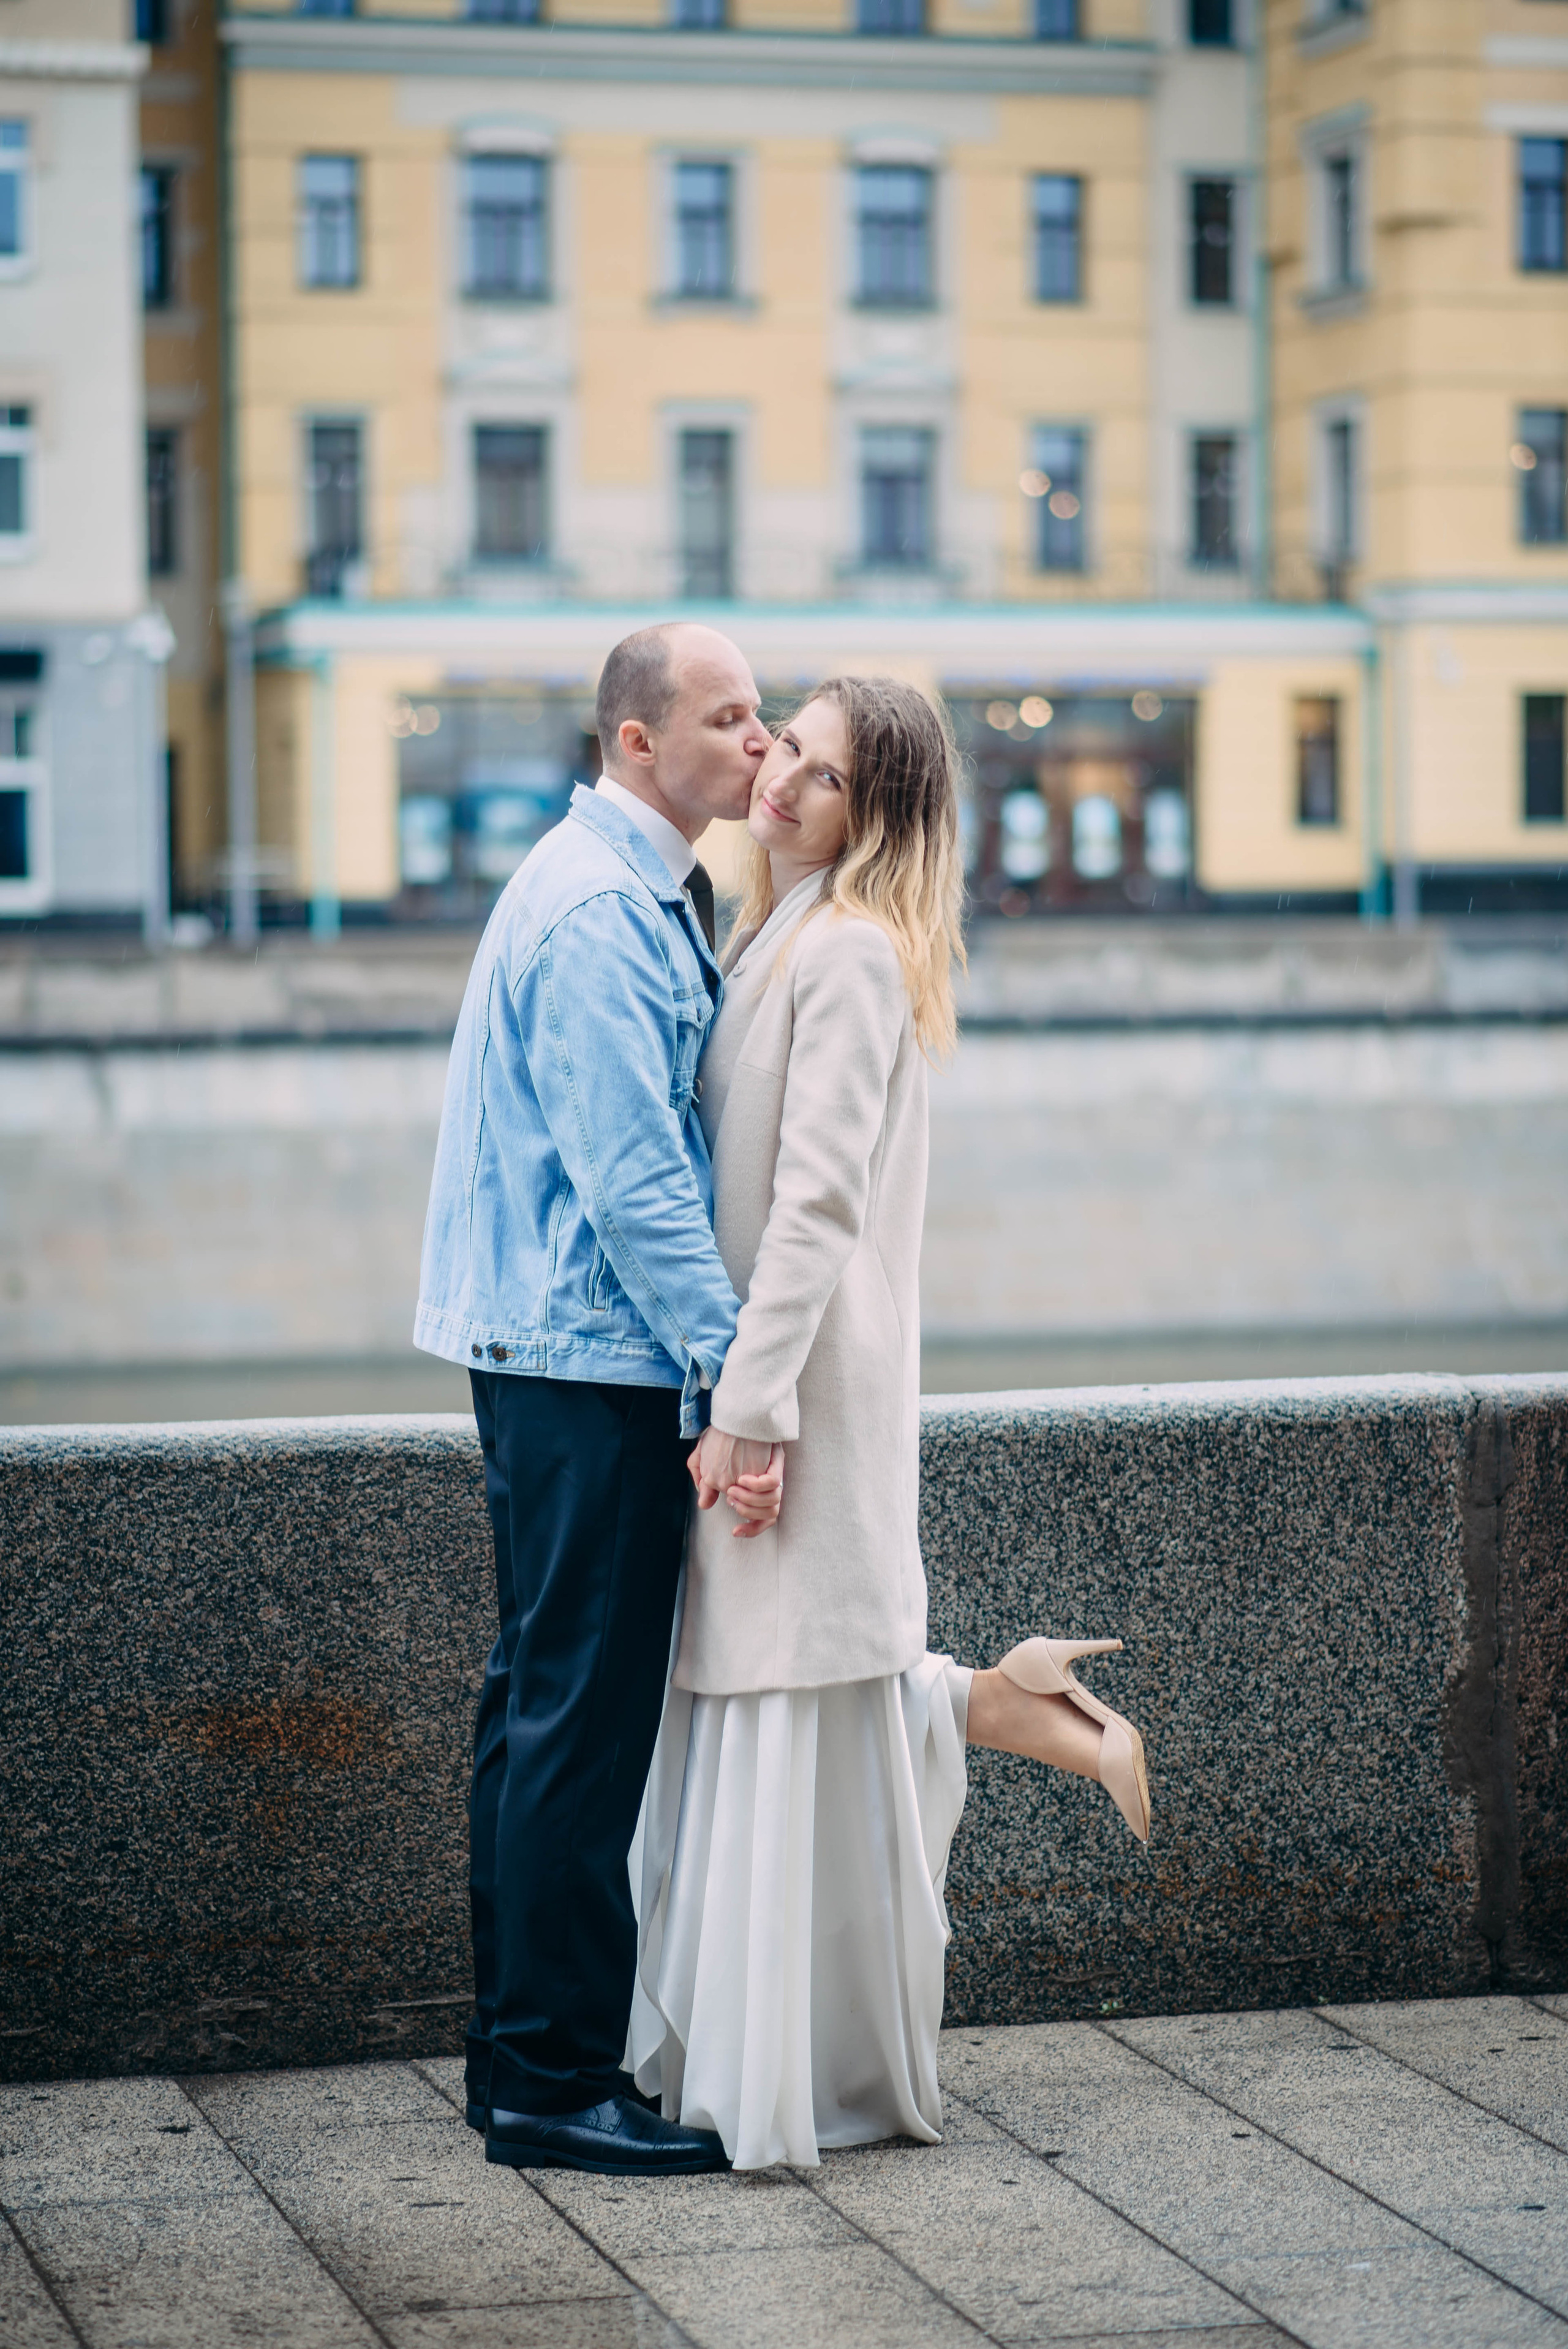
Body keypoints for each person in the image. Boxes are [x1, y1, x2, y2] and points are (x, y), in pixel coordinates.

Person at [626, 675, 1151, 2171]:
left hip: (801, 1402)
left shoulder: (847, 951)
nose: (784, 780)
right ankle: (1023, 1705)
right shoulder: (777, 930)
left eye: (828, 776)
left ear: (877, 820)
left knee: (785, 1692)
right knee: (782, 1688)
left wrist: (749, 1410)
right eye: (785, 745)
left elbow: (815, 1206)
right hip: (776, 1392)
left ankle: (786, 2079)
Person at [415, 622, 786, 2180]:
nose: (758, 745)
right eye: (728, 718)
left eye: (765, 718)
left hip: (555, 1354)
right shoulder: (600, 916)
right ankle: (557, 2081)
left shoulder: (620, 890)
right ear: (635, 742)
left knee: (538, 1714)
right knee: (575, 1725)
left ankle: (519, 2065)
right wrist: (732, 1371)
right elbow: (635, 1181)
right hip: (589, 1361)